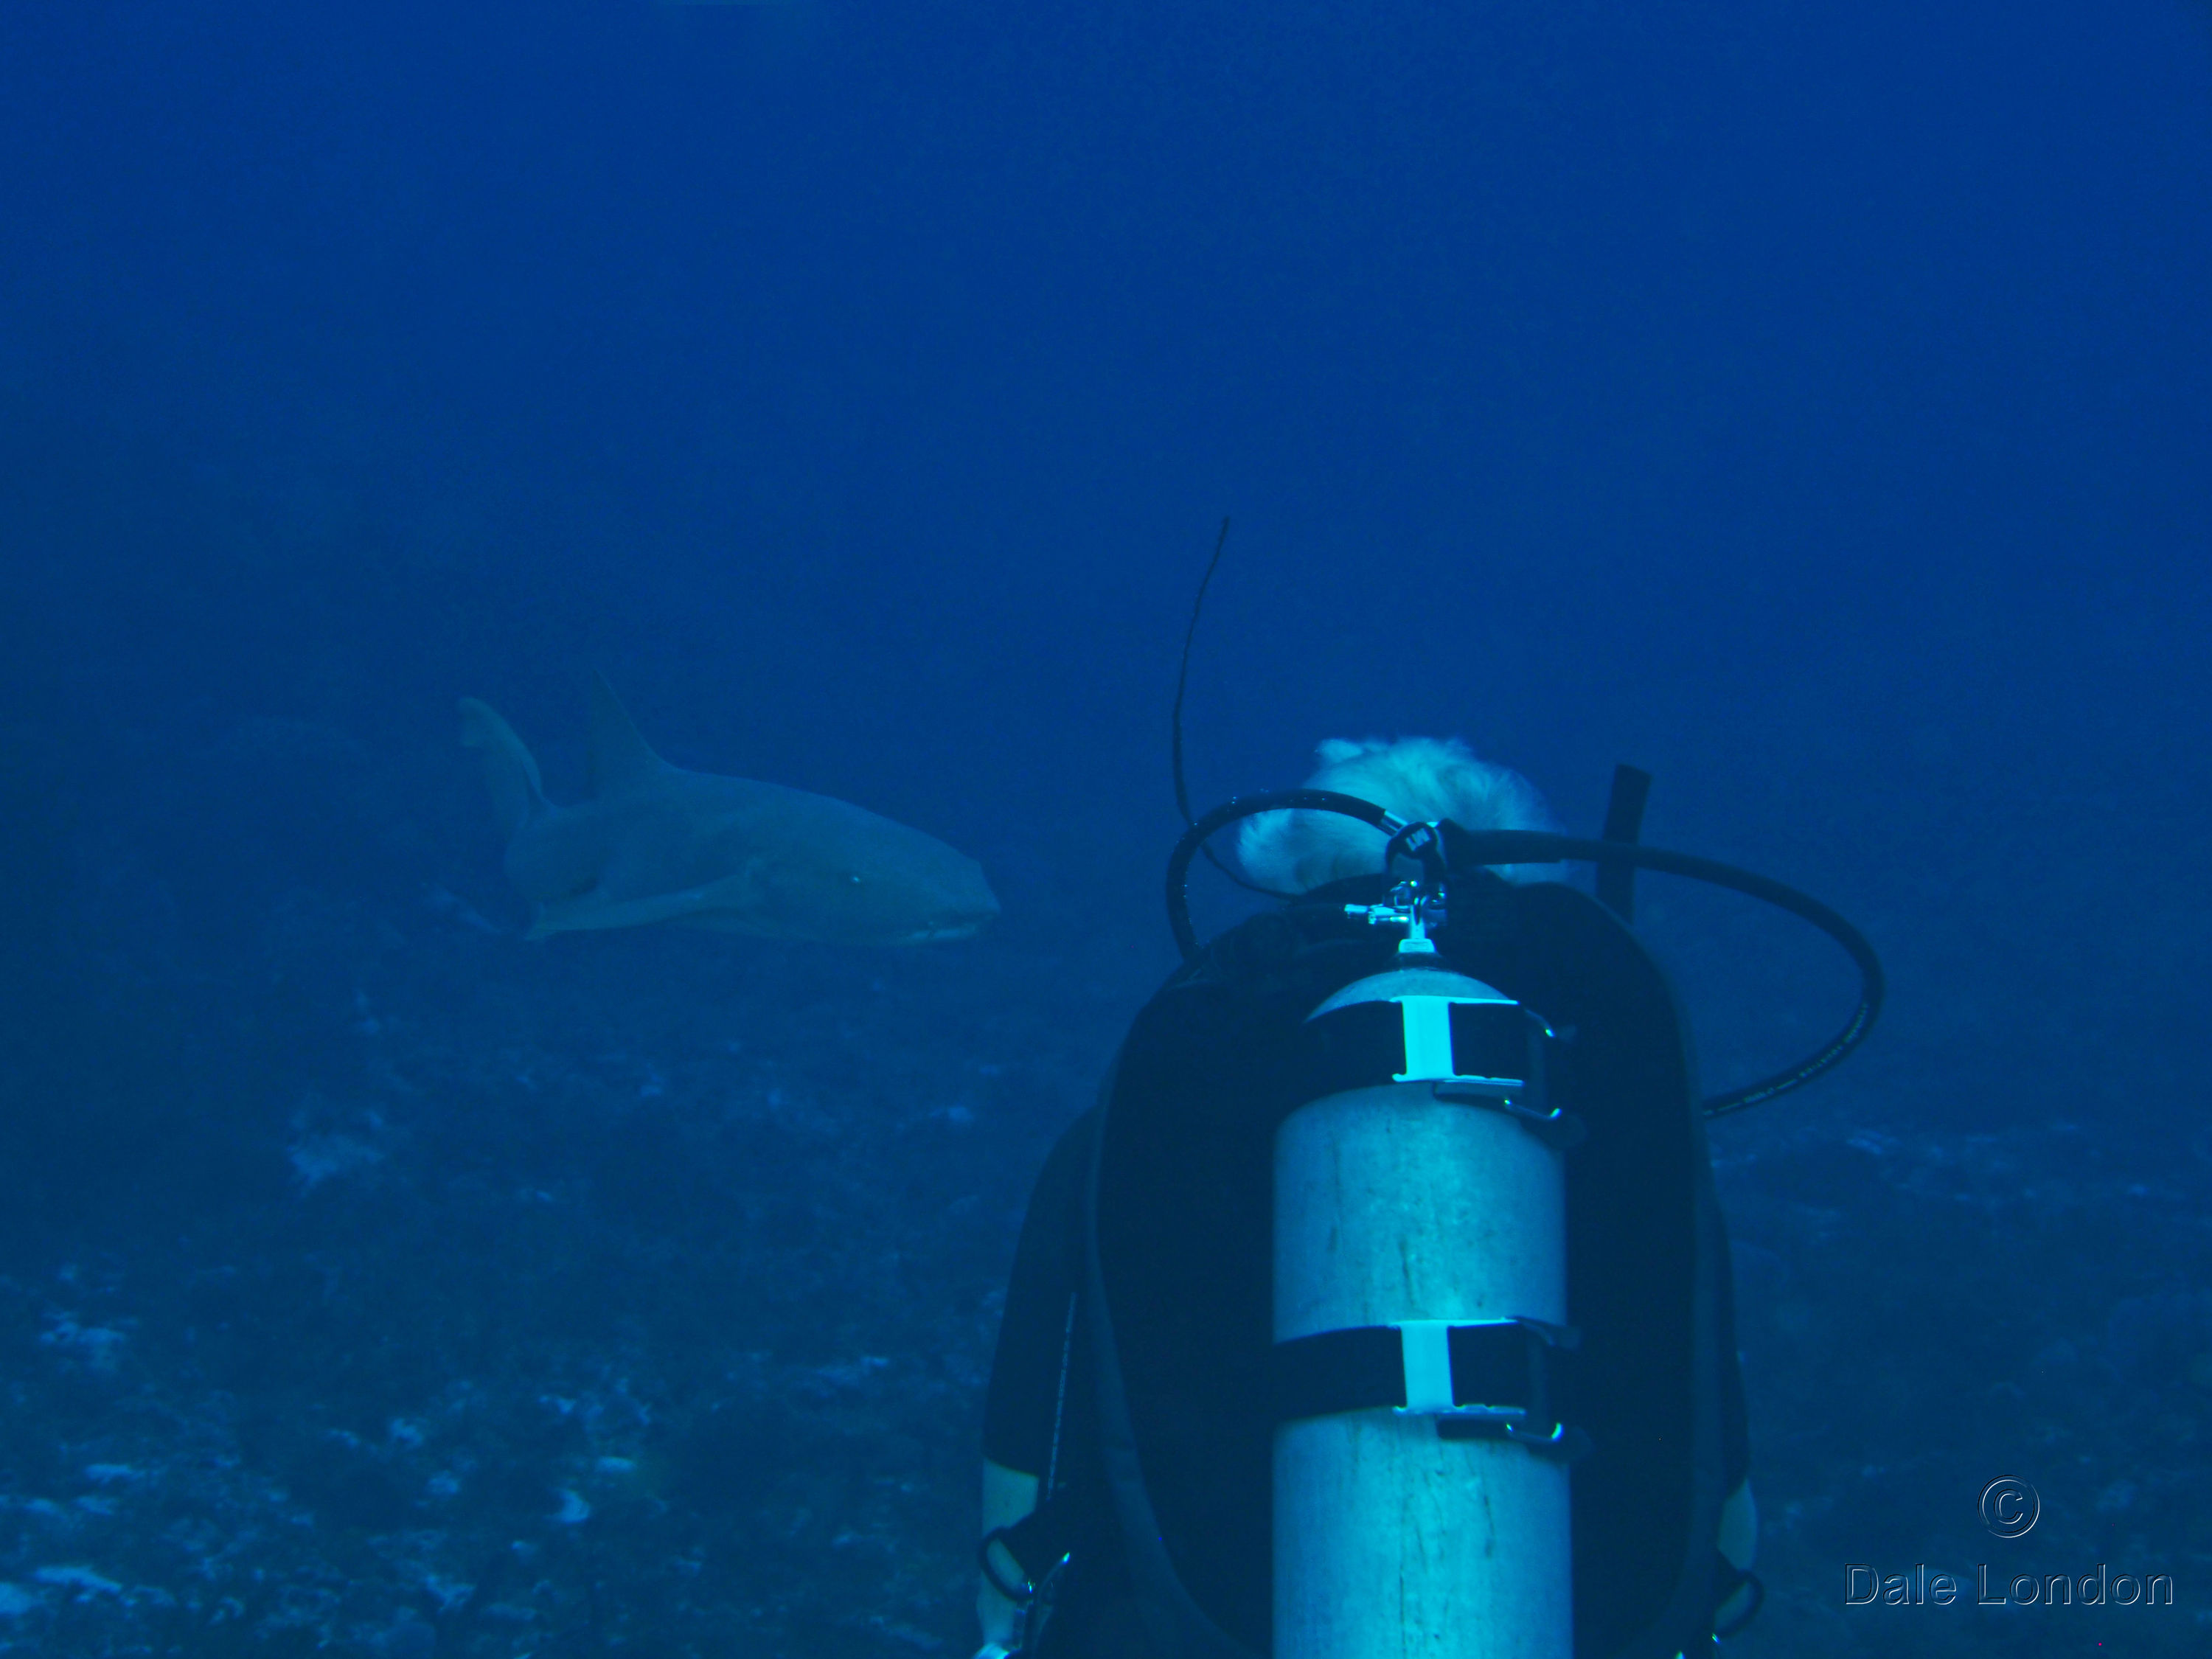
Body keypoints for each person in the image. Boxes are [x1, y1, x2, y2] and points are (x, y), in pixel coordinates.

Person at [973, 739, 1770, 1659]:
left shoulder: (1192, 1053)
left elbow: (1034, 1390)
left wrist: (1005, 1612)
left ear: (1299, 874)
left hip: (1203, 1608)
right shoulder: (1605, 1087)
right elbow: (1706, 1396)